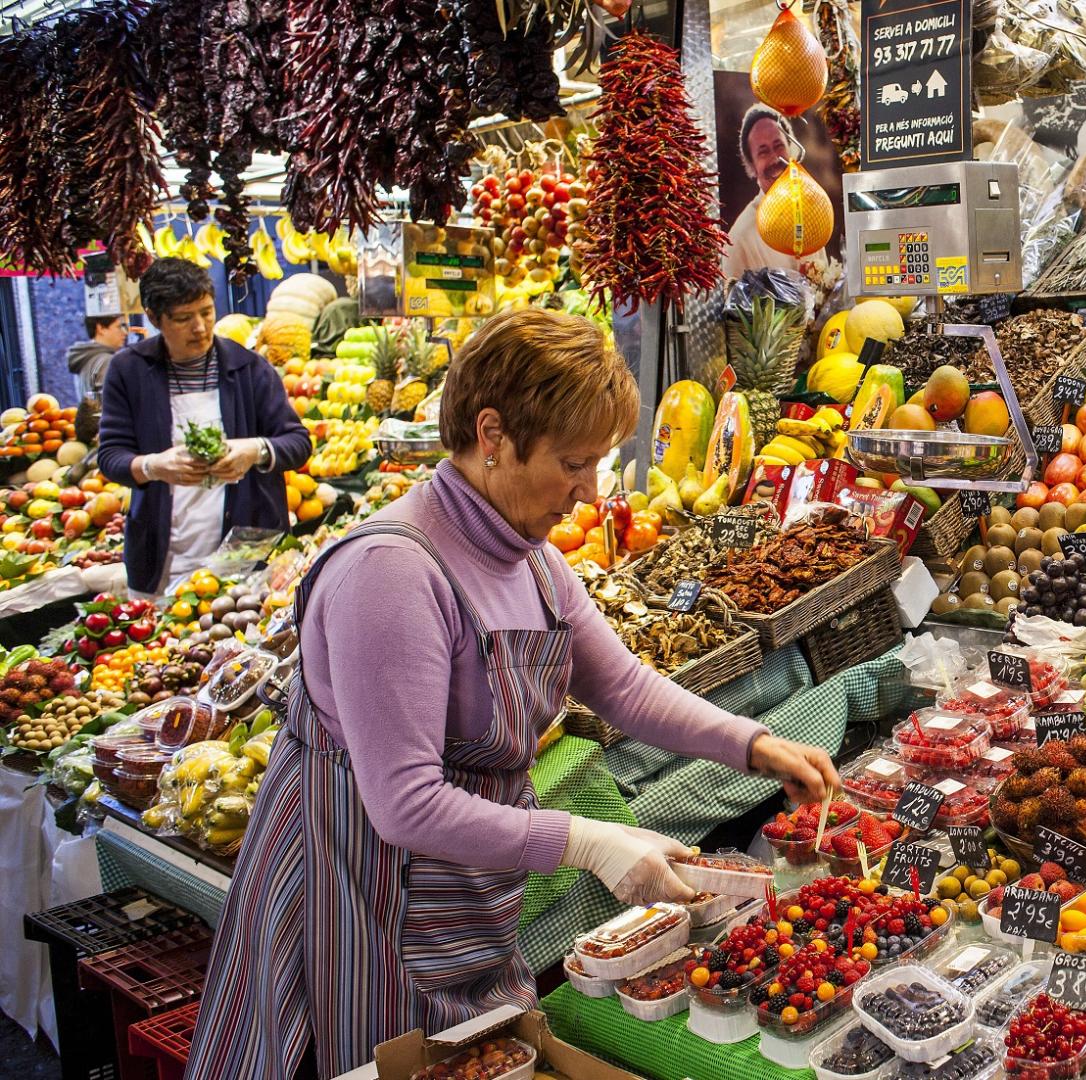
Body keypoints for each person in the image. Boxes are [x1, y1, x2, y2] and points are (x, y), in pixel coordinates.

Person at [183, 308, 841, 1080]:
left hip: (459, 895)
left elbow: (622, 685)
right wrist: (588, 841)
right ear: (491, 435)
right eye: (573, 463)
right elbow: (404, 805)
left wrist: (753, 745)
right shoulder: (391, 575)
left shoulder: (529, 558)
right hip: (357, 901)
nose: (589, 491)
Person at [95, 258, 311, 596]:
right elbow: (110, 456)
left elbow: (298, 443)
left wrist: (253, 450)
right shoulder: (129, 370)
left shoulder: (249, 367)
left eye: (207, 312)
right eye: (183, 318)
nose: (200, 327)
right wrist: (153, 466)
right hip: (163, 550)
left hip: (244, 554)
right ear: (154, 318)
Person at [720, 104, 825, 280]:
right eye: (763, 152)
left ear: (791, 149)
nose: (775, 158)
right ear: (752, 166)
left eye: (779, 145)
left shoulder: (812, 212)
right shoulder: (739, 240)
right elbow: (733, 304)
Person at [66, 313, 127, 397]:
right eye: (119, 327)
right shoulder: (107, 361)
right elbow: (109, 402)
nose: (125, 332)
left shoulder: (85, 357)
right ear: (100, 328)